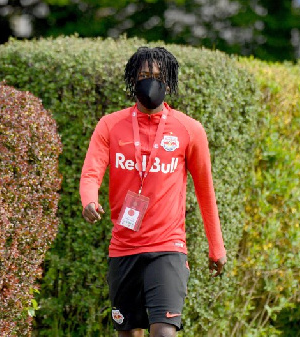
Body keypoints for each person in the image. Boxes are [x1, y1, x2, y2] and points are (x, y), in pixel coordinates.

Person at [80, 46, 227, 337]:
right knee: (128, 333)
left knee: (164, 332)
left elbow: (205, 191)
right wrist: (89, 200)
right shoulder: (110, 125)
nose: (150, 81)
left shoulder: (189, 130)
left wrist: (217, 246)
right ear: (132, 80)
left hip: (168, 248)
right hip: (124, 248)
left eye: (158, 77)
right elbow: (91, 172)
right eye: (144, 75)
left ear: (169, 83)